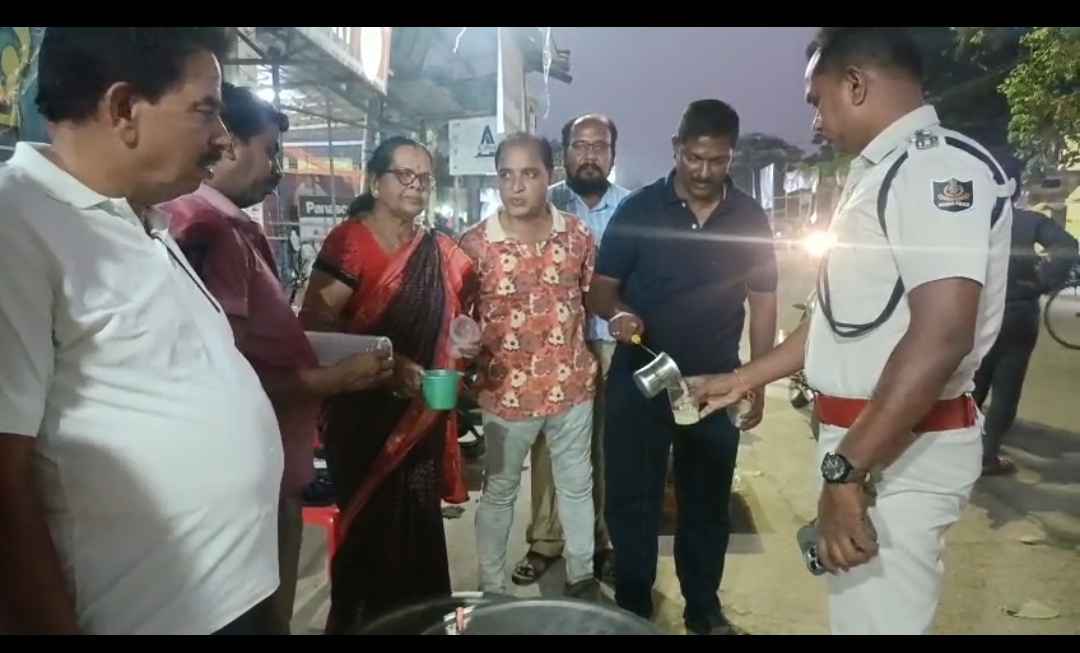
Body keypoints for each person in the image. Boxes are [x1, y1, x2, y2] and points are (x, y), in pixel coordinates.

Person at [689, 27, 1012, 635]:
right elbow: (836, 323)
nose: (815, 120)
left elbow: (942, 335)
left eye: (817, 100)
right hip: (870, 448)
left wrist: (847, 472)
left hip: (896, 455)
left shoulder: (933, 169)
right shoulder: (882, 173)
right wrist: (742, 378)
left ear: (856, 84)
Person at [0, 28, 284, 635]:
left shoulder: (139, 215)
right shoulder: (16, 226)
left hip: (237, 595)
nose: (222, 136)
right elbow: (4, 479)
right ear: (125, 108)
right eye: (205, 110)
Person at [159, 83, 394, 634]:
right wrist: (334, 379)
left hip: (271, 471)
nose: (277, 170)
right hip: (241, 486)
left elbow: (268, 340)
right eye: (269, 152)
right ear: (227, 144)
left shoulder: (231, 227)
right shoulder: (205, 231)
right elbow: (226, 374)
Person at [585, 99, 778, 635]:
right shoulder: (640, 211)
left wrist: (758, 379)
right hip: (641, 377)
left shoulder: (749, 217)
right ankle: (633, 607)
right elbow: (600, 292)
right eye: (694, 157)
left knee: (708, 502)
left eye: (717, 160)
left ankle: (703, 609)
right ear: (677, 149)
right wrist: (619, 315)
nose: (704, 171)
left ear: (731, 156)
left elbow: (764, 300)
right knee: (632, 501)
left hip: (715, 385)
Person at [299, 136, 477, 633]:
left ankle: (419, 623)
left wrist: (464, 338)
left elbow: (459, 316)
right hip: (362, 415)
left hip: (418, 415)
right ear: (376, 182)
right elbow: (316, 327)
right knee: (370, 531)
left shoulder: (437, 250)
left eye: (424, 178)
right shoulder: (350, 242)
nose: (416, 186)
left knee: (418, 528)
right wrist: (387, 362)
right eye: (404, 175)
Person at [459, 133, 600, 599]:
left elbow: (589, 300)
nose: (516, 186)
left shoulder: (577, 236)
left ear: (549, 176)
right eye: (506, 175)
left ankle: (581, 576)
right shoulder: (475, 245)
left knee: (576, 488)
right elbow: (457, 317)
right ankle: (492, 589)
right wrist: (464, 344)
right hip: (504, 396)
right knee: (499, 492)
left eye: (529, 174)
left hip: (571, 388)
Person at [514, 113, 631, 587]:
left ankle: (602, 542)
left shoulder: (631, 208)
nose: (589, 155)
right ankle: (545, 540)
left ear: (613, 154)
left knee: (607, 446)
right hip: (555, 344)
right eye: (580, 146)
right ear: (564, 154)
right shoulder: (546, 203)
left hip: (613, 345)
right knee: (549, 445)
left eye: (599, 146)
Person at [973, 154, 1079, 475]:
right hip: (1018, 311)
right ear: (1015, 189)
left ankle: (957, 448)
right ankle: (987, 456)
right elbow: (1066, 247)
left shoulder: (969, 223)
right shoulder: (1028, 221)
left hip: (976, 313)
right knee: (1006, 386)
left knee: (973, 382)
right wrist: (1043, 281)